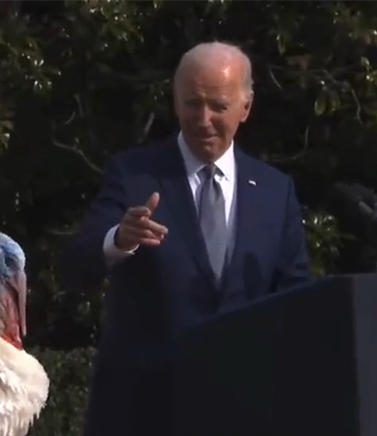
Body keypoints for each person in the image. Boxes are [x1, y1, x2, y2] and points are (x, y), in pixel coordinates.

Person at [60, 41, 313, 436]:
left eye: (219, 106)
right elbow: (76, 262)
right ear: (175, 103)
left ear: (245, 107)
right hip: (145, 410)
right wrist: (119, 239)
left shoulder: (274, 192)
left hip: (242, 410)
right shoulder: (135, 175)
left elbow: (297, 296)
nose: (204, 118)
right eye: (192, 104)